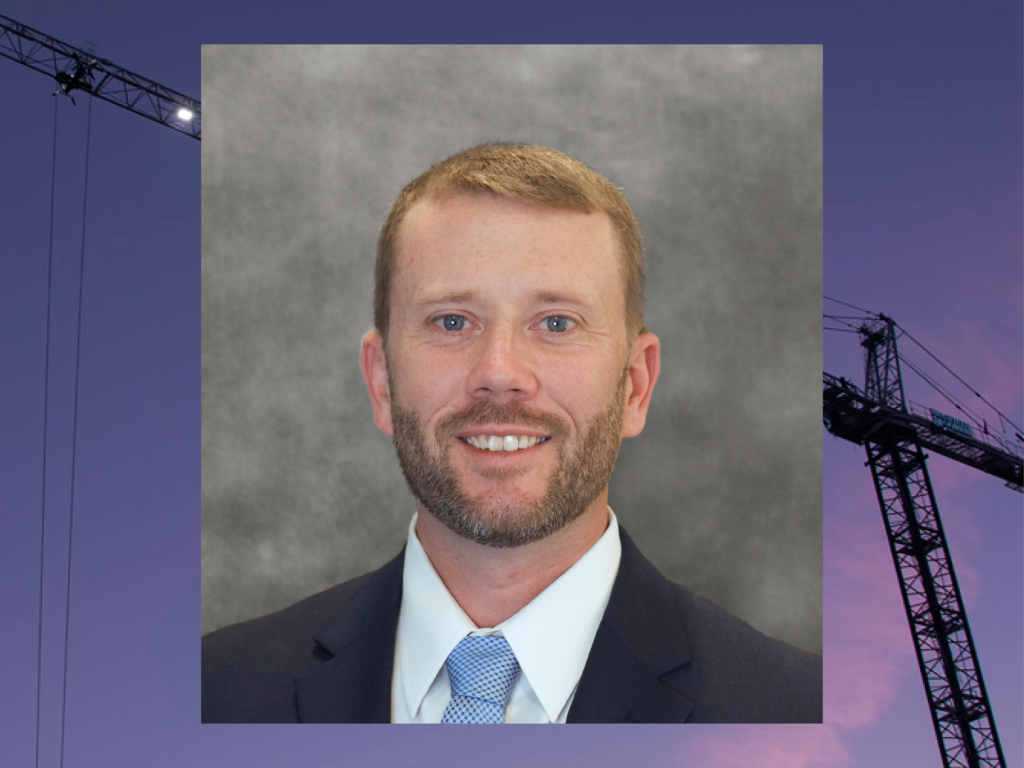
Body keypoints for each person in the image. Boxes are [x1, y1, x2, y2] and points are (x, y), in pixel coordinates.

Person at [201, 143, 822, 724]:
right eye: (451, 321)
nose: (499, 374)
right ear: (382, 382)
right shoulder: (216, 689)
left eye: (556, 321)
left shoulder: (790, 710)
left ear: (635, 385)